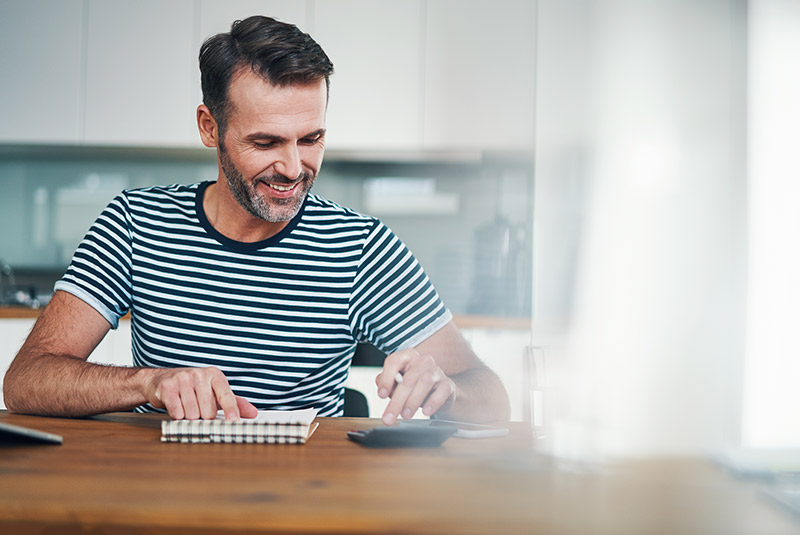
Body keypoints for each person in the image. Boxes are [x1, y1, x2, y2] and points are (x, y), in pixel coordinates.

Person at [2, 15, 510, 425]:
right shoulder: (136, 223)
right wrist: (149, 383)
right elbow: (25, 380)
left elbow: (491, 397)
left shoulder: (361, 247)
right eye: (265, 142)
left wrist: (449, 393)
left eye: (310, 139)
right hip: (162, 489)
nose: (293, 169)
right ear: (210, 127)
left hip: (308, 499)